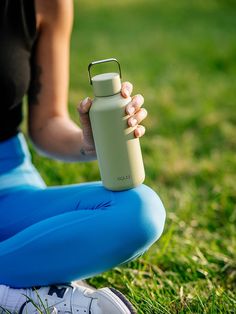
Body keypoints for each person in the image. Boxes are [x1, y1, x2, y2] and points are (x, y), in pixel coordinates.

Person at [0, 1, 166, 313]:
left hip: (9, 191)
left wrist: (92, 141)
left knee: (141, 210)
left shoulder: (48, 4)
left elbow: (47, 123)